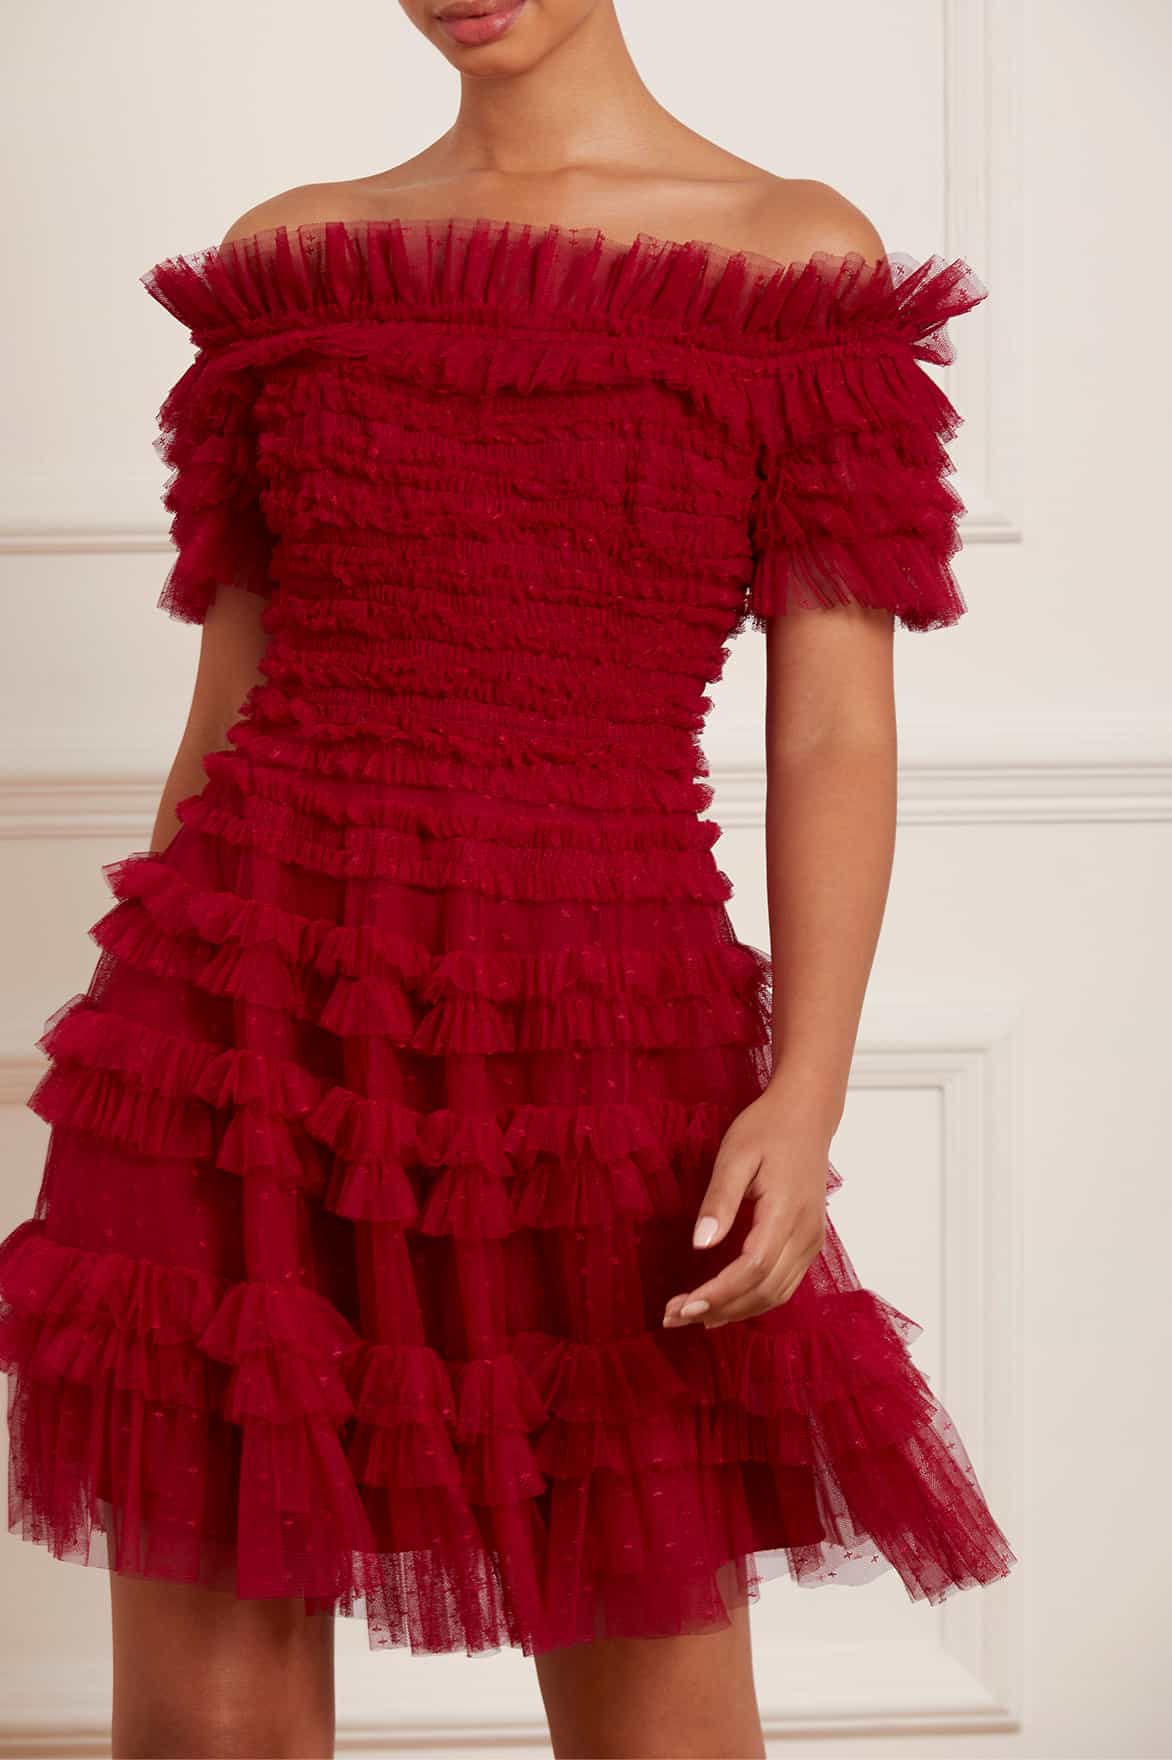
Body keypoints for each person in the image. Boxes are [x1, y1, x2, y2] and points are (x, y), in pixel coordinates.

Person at [0, 1, 1018, 1755]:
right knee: (204, 1717)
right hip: (243, 1024)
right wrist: (140, 1054)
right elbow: (226, 705)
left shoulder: (790, 258)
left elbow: (834, 732)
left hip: (598, 1031)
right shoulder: (298, 259)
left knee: (655, 1704)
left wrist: (807, 1087)